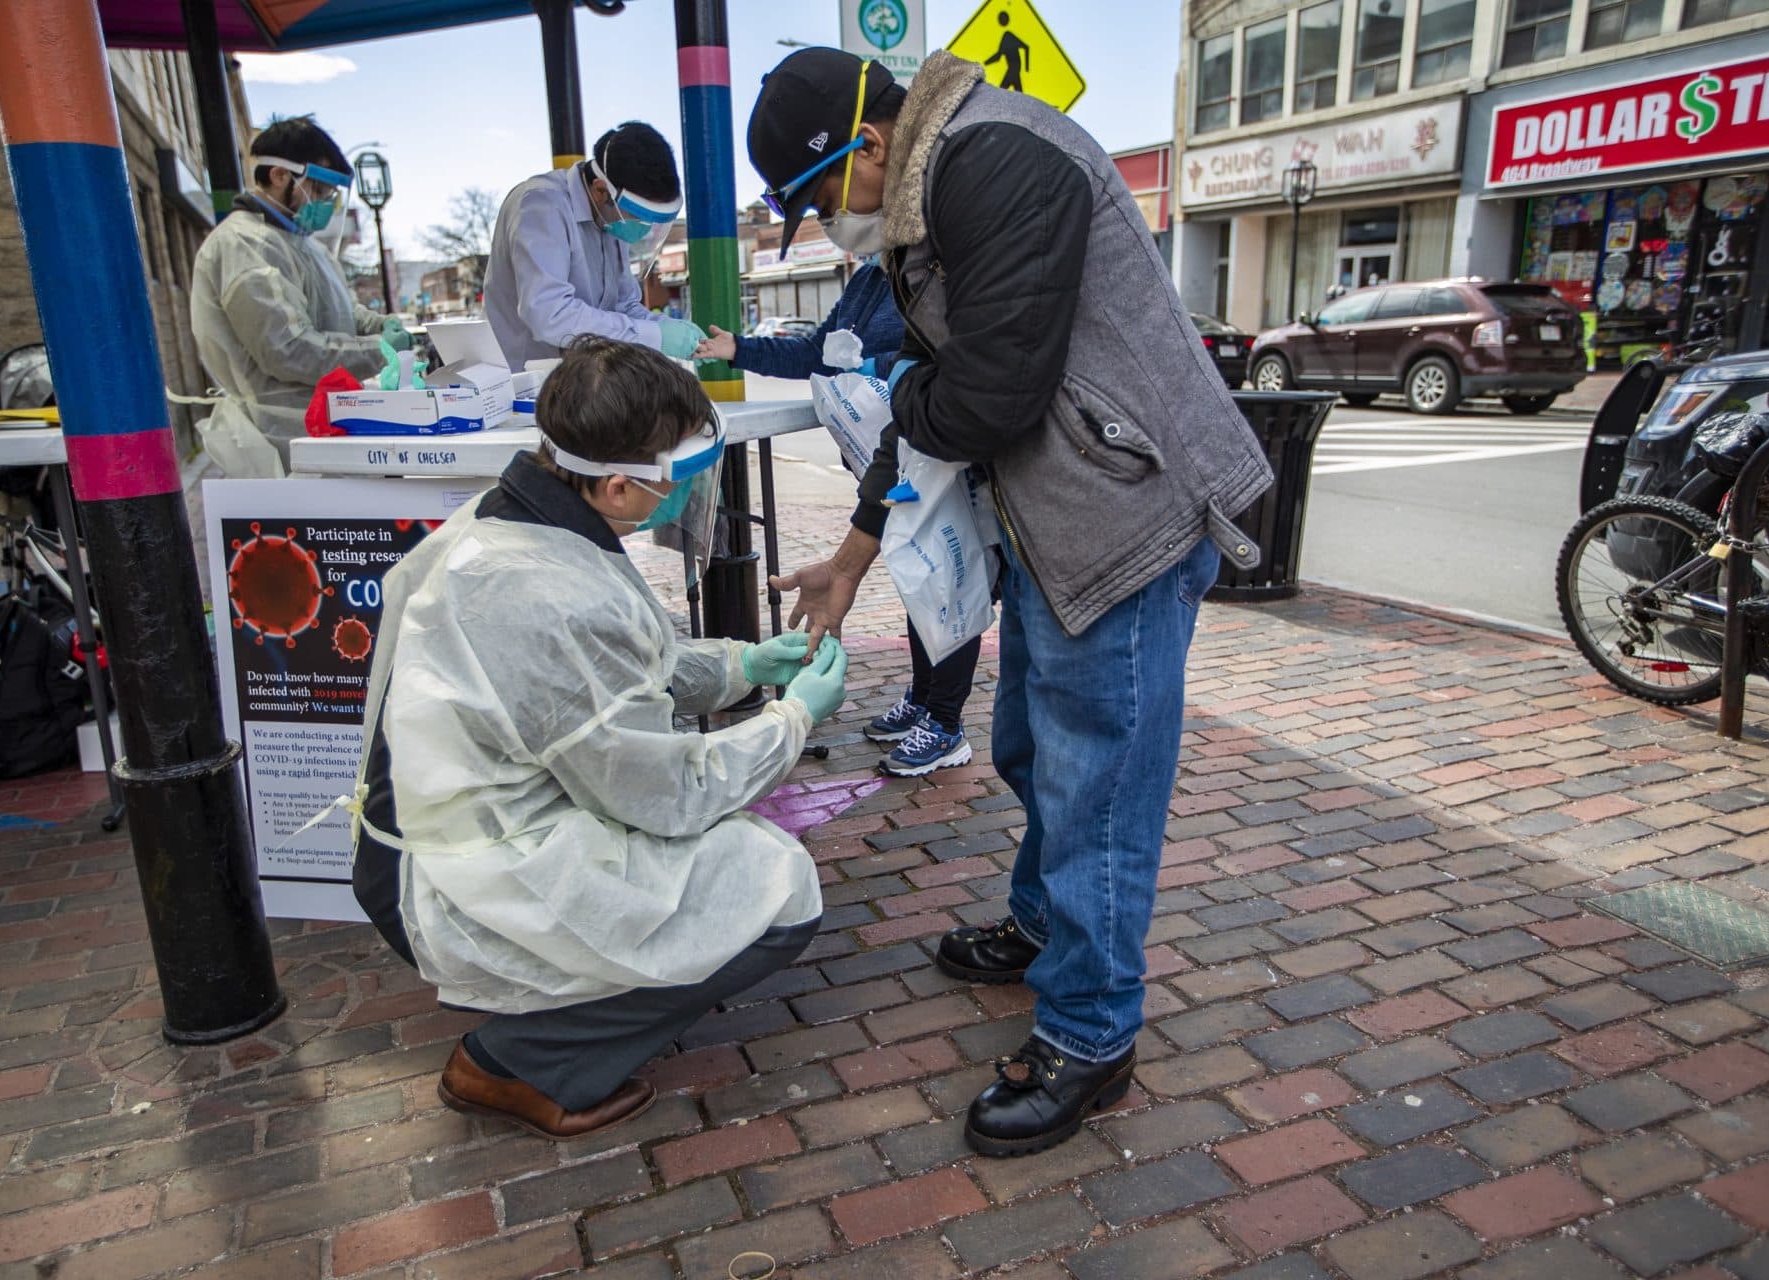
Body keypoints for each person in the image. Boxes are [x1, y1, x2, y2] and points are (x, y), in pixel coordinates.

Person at [747, 49, 1272, 1157]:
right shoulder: (934, 194)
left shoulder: (994, 160)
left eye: (820, 195)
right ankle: (1043, 928)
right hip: (1054, 519)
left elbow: (982, 392)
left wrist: (900, 390)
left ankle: (1091, 1033)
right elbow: (926, 404)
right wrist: (851, 554)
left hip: (1125, 514)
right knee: (1036, 747)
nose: (826, 221)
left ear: (872, 145)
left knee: (1101, 790)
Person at [349, 337, 850, 1140]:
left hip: (449, 830)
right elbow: (669, 791)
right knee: (777, 888)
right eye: (676, 478)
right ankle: (516, 1061)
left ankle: (552, 1017)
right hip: (461, 870)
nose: (683, 493)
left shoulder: (520, 520)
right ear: (619, 485)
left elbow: (618, 668)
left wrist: (742, 665)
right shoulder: (538, 588)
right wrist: (792, 719)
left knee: (727, 856)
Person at [694, 259, 982, 777]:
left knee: (945, 578)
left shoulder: (939, 265)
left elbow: (953, 357)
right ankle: (923, 697)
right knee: (915, 577)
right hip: (889, 454)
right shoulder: (872, 278)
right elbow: (818, 353)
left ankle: (946, 722)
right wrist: (740, 349)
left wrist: (878, 366)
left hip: (939, 451)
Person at [190, 116, 402, 475]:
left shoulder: (303, 245)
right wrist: (378, 350)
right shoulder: (242, 245)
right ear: (279, 176)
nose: (326, 203)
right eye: (319, 190)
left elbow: (343, 312)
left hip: (326, 427)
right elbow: (287, 350)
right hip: (283, 438)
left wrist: (385, 326)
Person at [483, 124, 705, 372]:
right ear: (601, 191)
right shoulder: (542, 205)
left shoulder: (610, 219)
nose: (641, 230)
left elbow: (624, 306)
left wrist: (669, 330)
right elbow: (549, 314)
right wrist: (655, 336)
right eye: (638, 219)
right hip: (525, 383)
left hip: (585, 380)